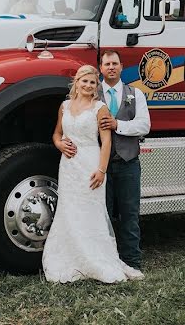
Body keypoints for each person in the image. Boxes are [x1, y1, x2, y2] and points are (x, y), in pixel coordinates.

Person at [42, 64, 144, 283]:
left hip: (91, 163)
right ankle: (71, 259)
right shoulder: (64, 106)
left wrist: (101, 170)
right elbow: (57, 133)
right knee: (69, 210)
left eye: (92, 82)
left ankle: (98, 260)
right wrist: (59, 145)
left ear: (96, 86)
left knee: (92, 212)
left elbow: (106, 141)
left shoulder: (100, 108)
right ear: (76, 83)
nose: (88, 85)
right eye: (84, 81)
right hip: (68, 166)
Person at [97, 50, 150, 270]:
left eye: (115, 63)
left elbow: (144, 126)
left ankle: (132, 262)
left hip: (128, 163)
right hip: (100, 166)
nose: (111, 67)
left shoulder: (135, 94)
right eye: (107, 63)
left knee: (130, 214)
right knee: (102, 216)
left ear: (121, 67)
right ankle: (105, 262)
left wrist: (118, 125)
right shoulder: (91, 94)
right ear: (100, 68)